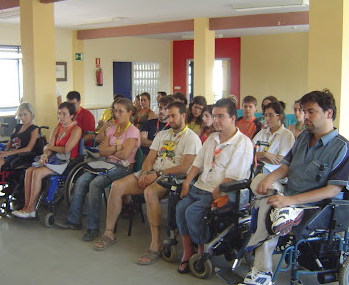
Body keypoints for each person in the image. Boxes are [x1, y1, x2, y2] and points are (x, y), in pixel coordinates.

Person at [238, 89, 349, 285]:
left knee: (268, 208)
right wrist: (271, 178)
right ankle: (281, 214)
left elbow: (333, 189)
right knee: (260, 180)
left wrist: (289, 200)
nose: (304, 116)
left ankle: (261, 271)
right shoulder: (305, 137)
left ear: (329, 113)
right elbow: (285, 166)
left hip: (313, 206)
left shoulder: (342, 147)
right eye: (303, 111)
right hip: (286, 194)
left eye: (311, 111)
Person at [93, 101, 202, 265]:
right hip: (153, 173)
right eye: (168, 115)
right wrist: (145, 173)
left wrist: (156, 174)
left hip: (173, 178)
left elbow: (185, 167)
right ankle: (109, 233)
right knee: (117, 186)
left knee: (150, 192)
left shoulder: (191, 138)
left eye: (173, 116)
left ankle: (155, 244)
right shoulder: (162, 135)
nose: (169, 119)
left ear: (184, 116)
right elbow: (149, 159)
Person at [175, 99, 253, 273]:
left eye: (220, 116)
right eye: (214, 116)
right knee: (180, 208)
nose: (215, 120)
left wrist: (213, 196)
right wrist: (187, 182)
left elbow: (231, 178)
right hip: (201, 186)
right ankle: (188, 251)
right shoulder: (212, 138)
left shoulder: (243, 143)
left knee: (193, 212)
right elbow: (198, 163)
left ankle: (202, 250)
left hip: (224, 191)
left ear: (233, 118)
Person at [55, 98, 140, 241]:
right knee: (82, 180)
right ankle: (74, 220)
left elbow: (125, 155)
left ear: (129, 113)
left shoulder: (133, 131)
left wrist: (109, 150)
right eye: (115, 111)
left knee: (95, 184)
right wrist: (116, 149)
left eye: (120, 111)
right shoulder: (112, 128)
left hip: (123, 167)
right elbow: (101, 151)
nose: (116, 114)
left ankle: (92, 227)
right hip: (107, 164)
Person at [13, 102, 82, 218]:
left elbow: (66, 149)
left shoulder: (76, 129)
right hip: (54, 158)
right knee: (29, 171)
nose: (61, 117)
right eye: (59, 114)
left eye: (64, 114)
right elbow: (48, 148)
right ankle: (26, 206)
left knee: (37, 173)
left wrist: (49, 147)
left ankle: (31, 208)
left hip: (67, 161)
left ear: (71, 115)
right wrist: (45, 155)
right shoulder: (57, 129)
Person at [0, 103, 38, 194]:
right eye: (20, 115)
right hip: (10, 153)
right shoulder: (18, 127)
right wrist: (5, 151)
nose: (22, 117)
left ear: (31, 114)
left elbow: (29, 148)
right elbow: (10, 142)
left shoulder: (34, 129)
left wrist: (10, 153)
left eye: (25, 115)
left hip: (21, 155)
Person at [252, 101, 295, 173]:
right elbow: (250, 153)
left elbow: (281, 161)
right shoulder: (262, 132)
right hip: (257, 168)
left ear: (280, 117)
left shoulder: (287, 134)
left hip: (275, 173)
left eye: (270, 115)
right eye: (265, 115)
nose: (267, 119)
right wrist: (265, 154)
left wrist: (258, 157)